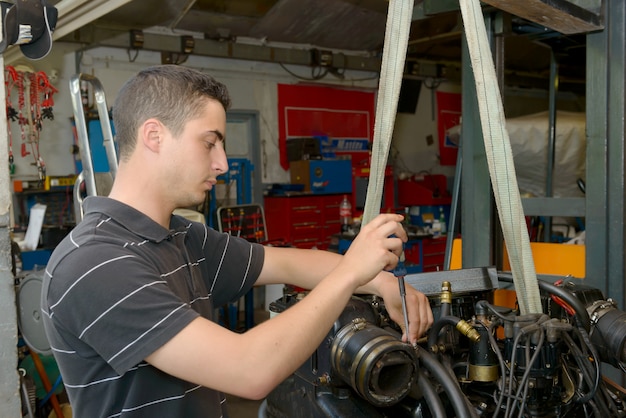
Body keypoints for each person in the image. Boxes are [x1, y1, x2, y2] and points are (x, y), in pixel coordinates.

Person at [41, 65, 433, 418]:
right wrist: (349, 272)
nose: (223, 163)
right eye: (209, 142)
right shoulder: (94, 262)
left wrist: (382, 283)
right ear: (155, 136)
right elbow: (249, 370)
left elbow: (287, 263)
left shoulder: (179, 236)